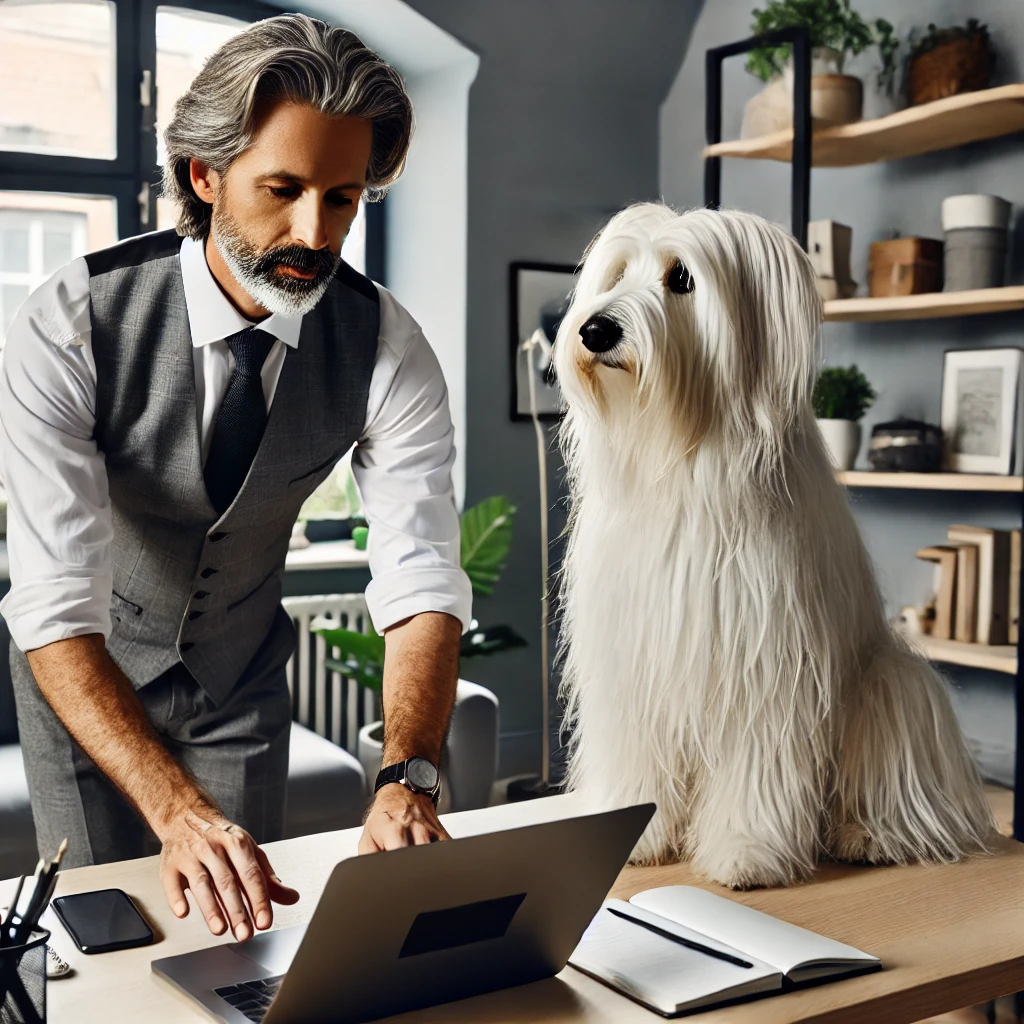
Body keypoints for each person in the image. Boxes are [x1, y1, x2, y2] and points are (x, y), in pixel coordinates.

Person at [0, 14, 471, 945]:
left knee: (234, 940)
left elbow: (419, 575)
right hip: (88, 678)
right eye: (283, 189)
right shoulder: (68, 321)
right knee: (103, 947)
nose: (314, 232)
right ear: (203, 175)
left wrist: (405, 777)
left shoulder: (387, 343)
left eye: (344, 198)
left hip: (237, 681)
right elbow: (54, 602)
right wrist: (174, 812)